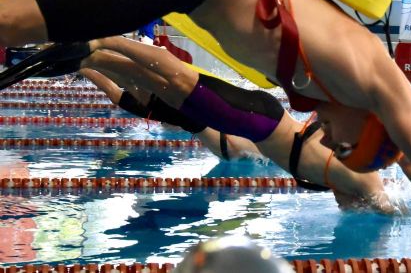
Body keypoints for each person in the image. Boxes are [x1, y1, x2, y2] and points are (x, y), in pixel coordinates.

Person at [0, 0, 411, 263]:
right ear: (372, 126)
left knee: (15, 26)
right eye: (343, 146)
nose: (327, 140)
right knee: (6, 23)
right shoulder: (379, 83)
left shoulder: (346, 98)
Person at [60, 35, 393, 212]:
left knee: (164, 86)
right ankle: (105, 43)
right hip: (258, 120)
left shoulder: (351, 171)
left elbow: (351, 208)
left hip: (257, 121)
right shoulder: (364, 178)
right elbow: (385, 210)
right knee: (176, 78)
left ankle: (91, 57)